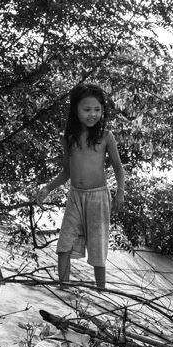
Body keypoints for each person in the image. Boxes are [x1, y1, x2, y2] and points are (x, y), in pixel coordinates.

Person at [32, 82, 127, 289]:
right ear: (75, 110)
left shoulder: (106, 137)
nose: (92, 114)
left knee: (98, 245)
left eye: (97, 110)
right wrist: (47, 188)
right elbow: (67, 171)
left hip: (98, 198)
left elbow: (118, 168)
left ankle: (101, 290)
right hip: (75, 196)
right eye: (87, 109)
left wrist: (120, 192)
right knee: (64, 242)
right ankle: (63, 287)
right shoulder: (68, 137)